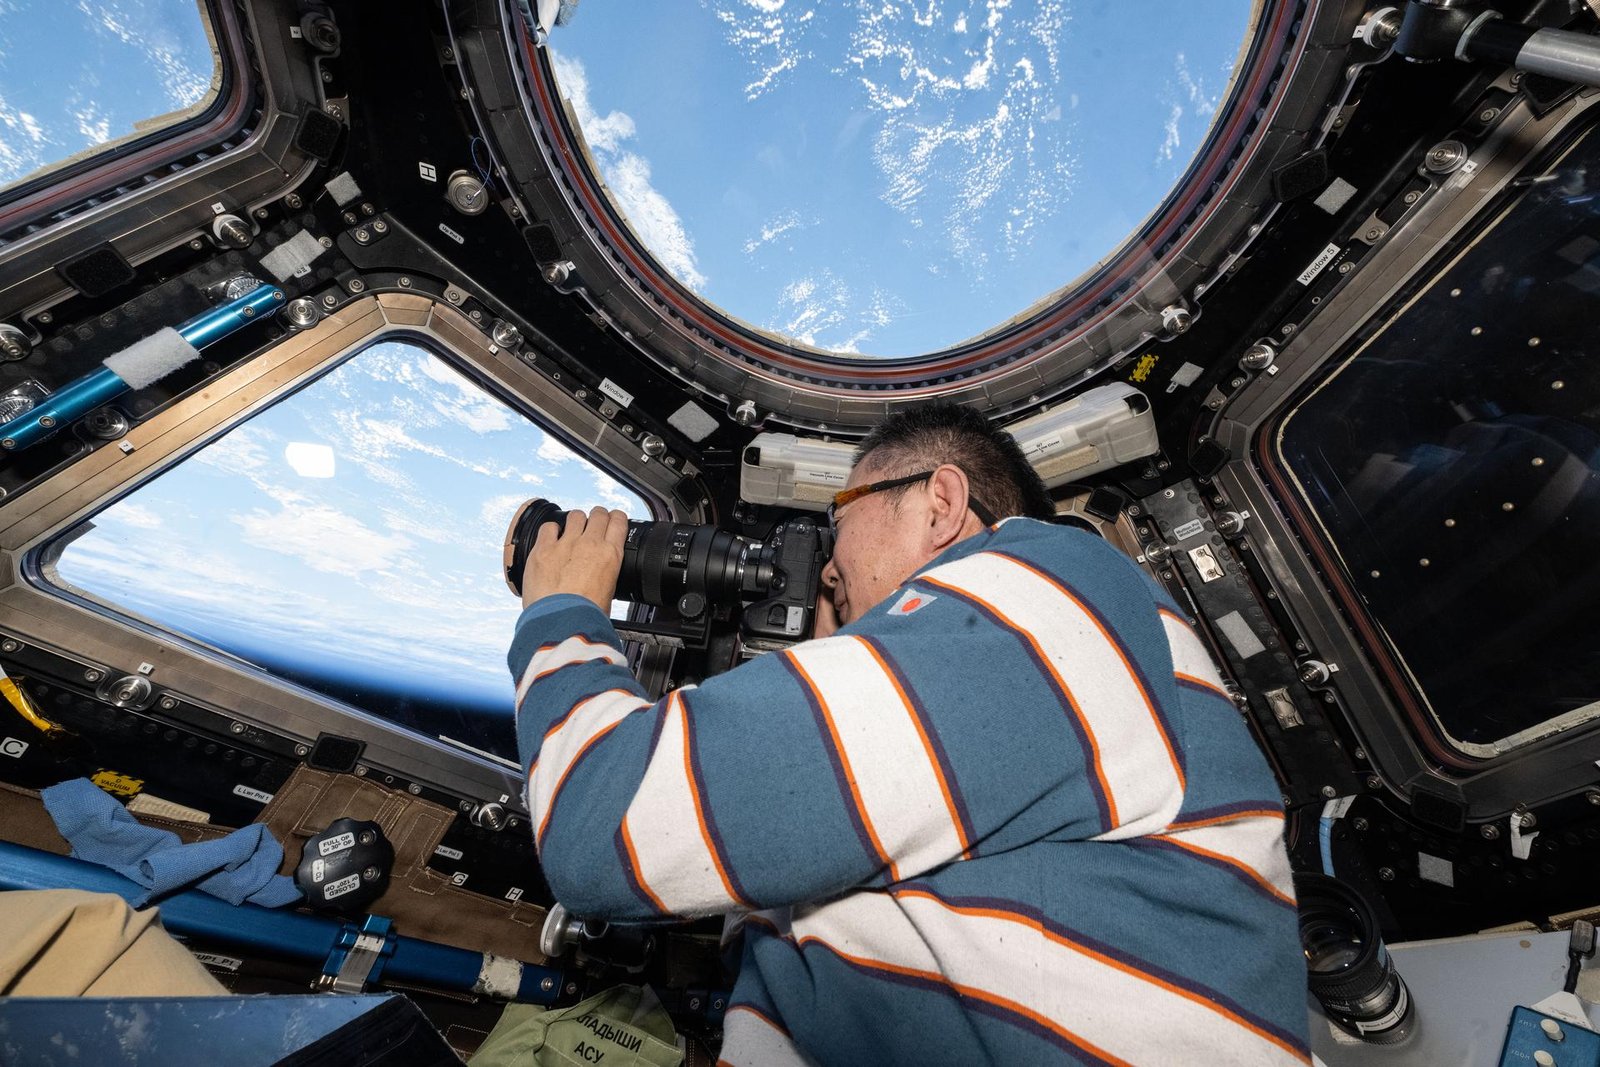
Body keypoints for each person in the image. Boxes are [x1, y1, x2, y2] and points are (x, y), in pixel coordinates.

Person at [506, 402, 1309, 1066]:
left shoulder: (1051, 583)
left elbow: (606, 822)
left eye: (838, 521)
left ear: (941, 503)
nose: (828, 566)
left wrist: (562, 613)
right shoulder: (1004, 704)